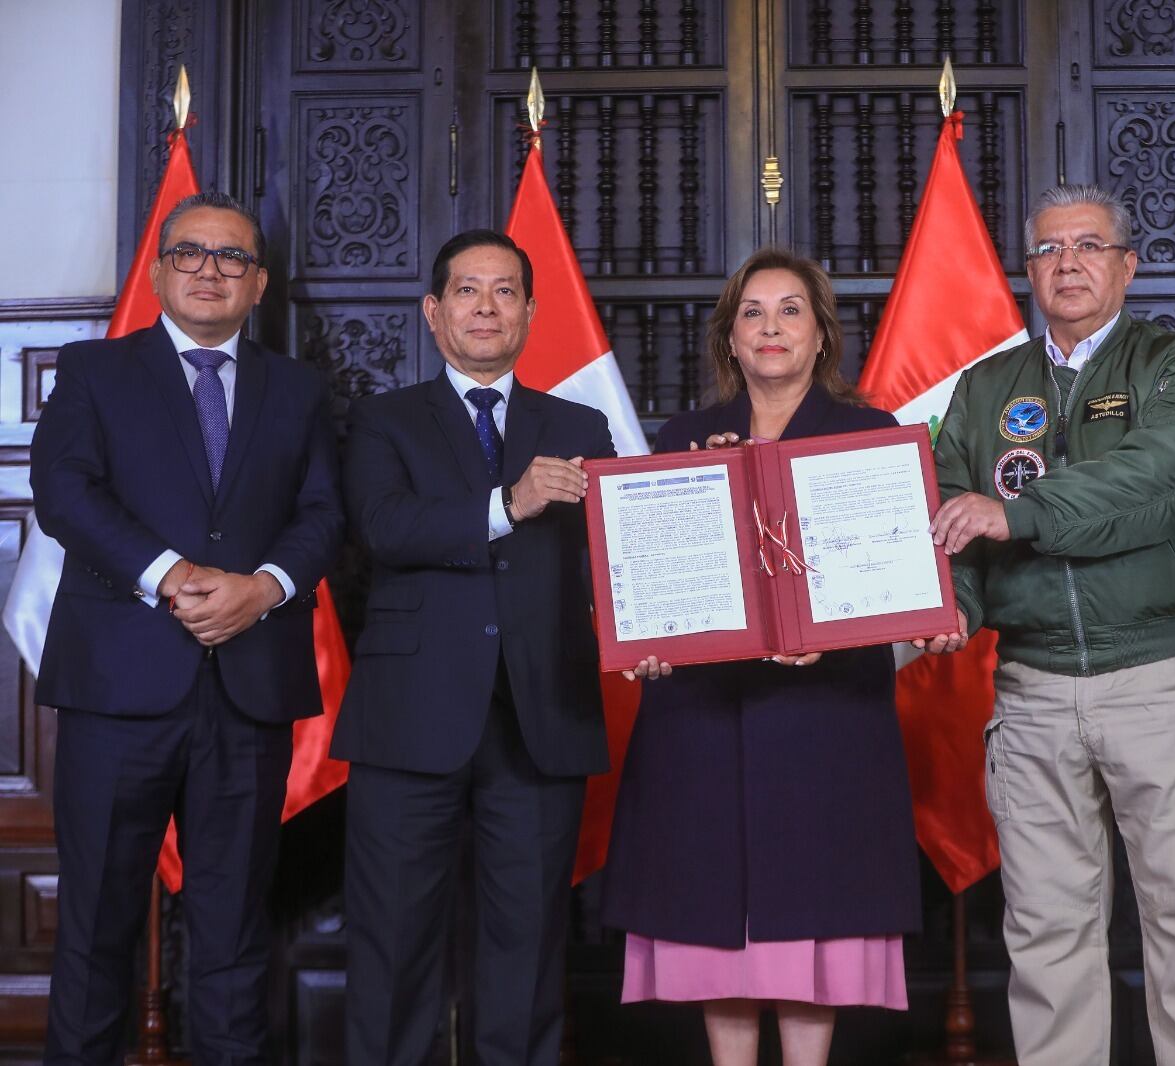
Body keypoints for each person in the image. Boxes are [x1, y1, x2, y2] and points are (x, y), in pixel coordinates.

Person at [926, 184, 1175, 1064]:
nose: (1067, 263)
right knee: (1046, 939)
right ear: (1028, 271)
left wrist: (1017, 515)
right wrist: (953, 603)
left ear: (1127, 265)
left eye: (1089, 246)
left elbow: (1153, 479)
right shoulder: (985, 387)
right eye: (1048, 249)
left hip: (1159, 687)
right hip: (1031, 694)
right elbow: (952, 518)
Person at [30, 190, 342, 1064]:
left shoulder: (298, 389)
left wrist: (264, 589)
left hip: (248, 694)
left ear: (259, 283)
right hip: (117, 691)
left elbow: (323, 514)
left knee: (234, 932)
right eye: (191, 253)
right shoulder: (93, 371)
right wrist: (172, 575)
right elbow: (64, 493)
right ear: (160, 273)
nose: (211, 270)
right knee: (96, 927)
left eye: (232, 256)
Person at [600, 248, 925, 1066]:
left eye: (790, 310)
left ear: (820, 336)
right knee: (722, 937)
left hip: (827, 724)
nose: (770, 326)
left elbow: (892, 588)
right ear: (730, 338)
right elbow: (657, 585)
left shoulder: (869, 436)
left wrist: (836, 635)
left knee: (813, 933)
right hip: (702, 729)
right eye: (752, 312)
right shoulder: (681, 440)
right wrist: (651, 645)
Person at [333, 229, 615, 1065]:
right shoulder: (382, 419)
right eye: (467, 290)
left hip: (541, 716)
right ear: (433, 312)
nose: (486, 307)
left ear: (530, 311)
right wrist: (508, 502)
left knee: (526, 950)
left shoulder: (580, 424)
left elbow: (621, 554)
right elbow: (383, 528)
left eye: (504, 291)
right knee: (391, 946)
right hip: (409, 719)